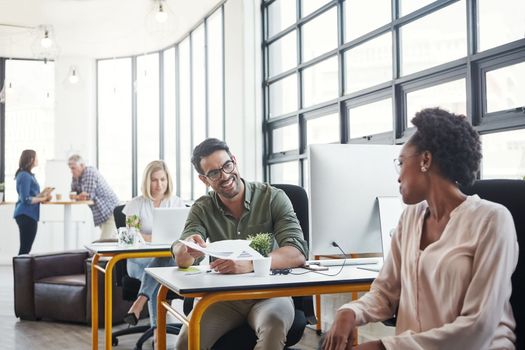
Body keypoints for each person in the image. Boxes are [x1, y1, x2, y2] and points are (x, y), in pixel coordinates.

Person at [322, 107, 519, 350]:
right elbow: (385, 293)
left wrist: (384, 347)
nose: (398, 177)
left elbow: (478, 326)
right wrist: (350, 312)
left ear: (425, 160)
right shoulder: (410, 219)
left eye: (401, 163)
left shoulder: (492, 220)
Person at [171, 138, 308, 350]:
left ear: (234, 161)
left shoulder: (272, 197)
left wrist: (253, 263)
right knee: (185, 344)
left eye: (227, 166)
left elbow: (297, 252)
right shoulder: (202, 207)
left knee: (273, 328)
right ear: (204, 179)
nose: (225, 176)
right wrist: (187, 247)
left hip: (269, 294)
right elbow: (182, 255)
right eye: (214, 173)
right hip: (221, 299)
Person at [122, 160, 185, 328]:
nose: (159, 184)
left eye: (162, 179)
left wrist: (147, 236)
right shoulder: (135, 204)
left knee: (159, 269)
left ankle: (140, 304)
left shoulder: (177, 203)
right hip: (137, 262)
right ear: (147, 181)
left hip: (167, 260)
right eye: (154, 180)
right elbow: (131, 235)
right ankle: (159, 336)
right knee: (159, 274)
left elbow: (182, 237)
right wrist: (155, 237)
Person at [68, 154, 119, 239]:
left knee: (105, 244)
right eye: (70, 168)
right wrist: (77, 196)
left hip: (110, 211)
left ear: (82, 165)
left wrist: (77, 196)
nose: (71, 171)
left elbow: (87, 196)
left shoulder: (89, 172)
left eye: (73, 168)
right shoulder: (76, 176)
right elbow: (72, 193)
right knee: (111, 242)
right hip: (102, 214)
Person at [14, 150, 52, 255]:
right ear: (31, 159)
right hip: (26, 214)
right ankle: (20, 271)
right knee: (25, 248)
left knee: (26, 247)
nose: (38, 160)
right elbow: (26, 199)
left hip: (29, 214)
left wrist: (43, 194)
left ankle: (22, 270)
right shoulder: (24, 175)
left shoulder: (28, 175)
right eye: (36, 157)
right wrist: (43, 199)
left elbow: (31, 196)